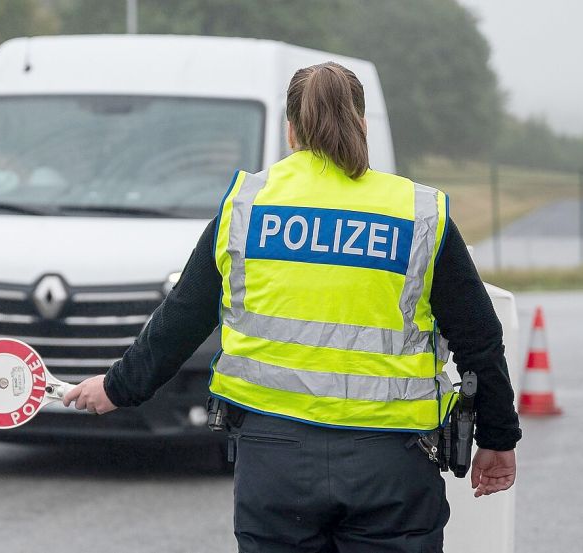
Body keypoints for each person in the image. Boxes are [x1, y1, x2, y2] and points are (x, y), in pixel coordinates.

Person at [63, 61, 521, 552]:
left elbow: (182, 317)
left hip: (274, 463)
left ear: (291, 131)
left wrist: (116, 388)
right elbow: (479, 337)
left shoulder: (247, 206)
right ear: (362, 125)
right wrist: (497, 437)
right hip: (391, 465)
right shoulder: (418, 212)